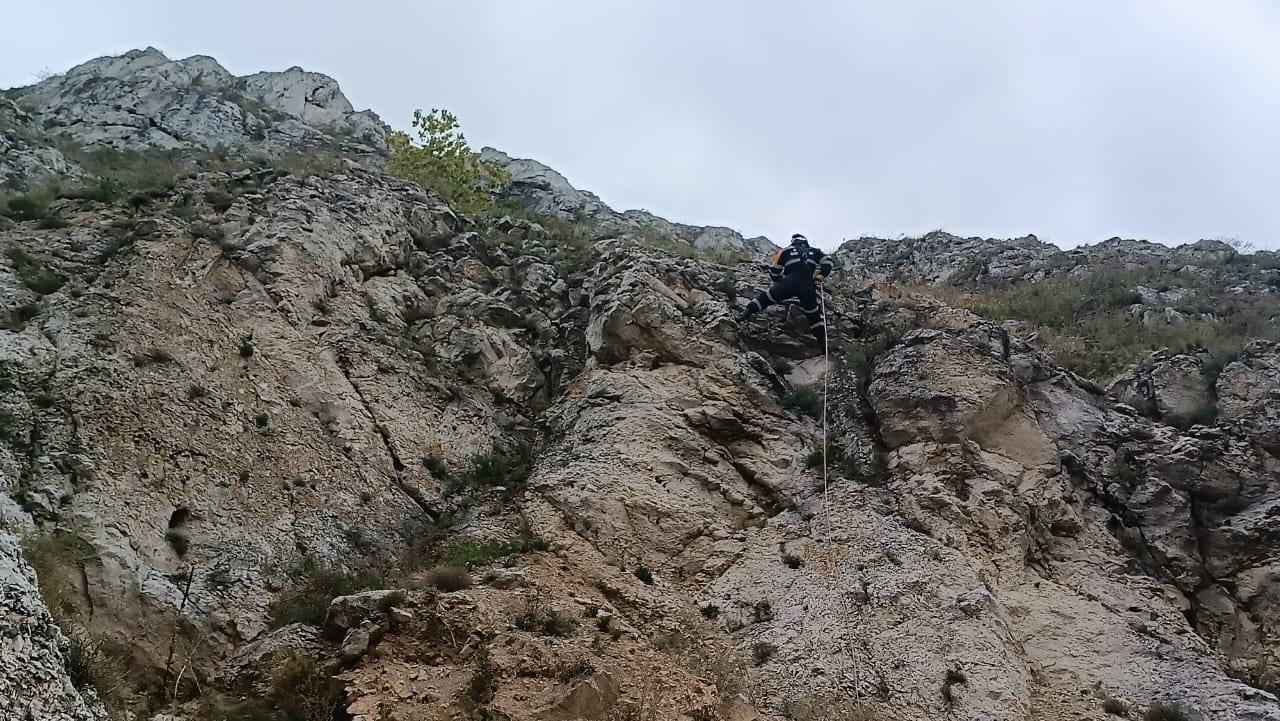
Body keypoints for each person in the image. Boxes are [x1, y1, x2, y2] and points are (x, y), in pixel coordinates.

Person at [737, 233, 833, 345]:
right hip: (808, 285)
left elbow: (773, 270)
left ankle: (743, 315)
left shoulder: (785, 251)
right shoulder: (815, 251)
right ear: (806, 241)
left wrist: (779, 281)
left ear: (793, 241)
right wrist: (820, 276)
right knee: (813, 313)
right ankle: (823, 343)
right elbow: (828, 261)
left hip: (789, 282)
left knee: (766, 298)